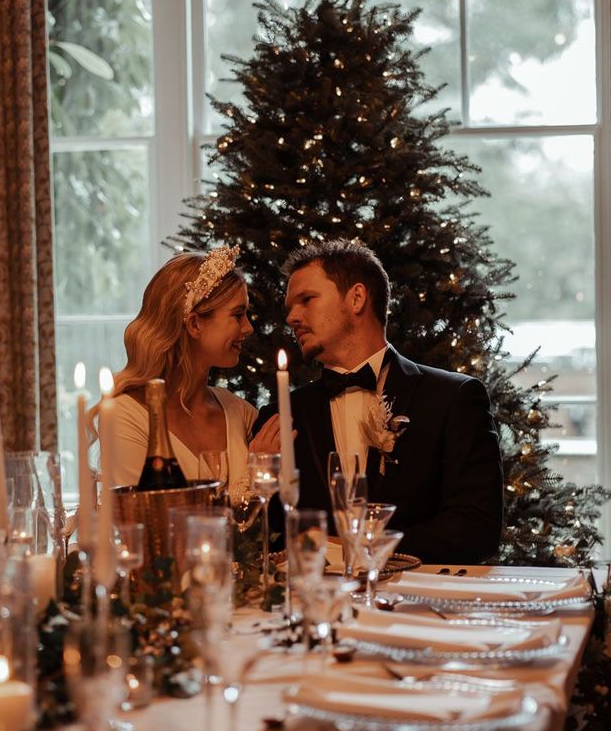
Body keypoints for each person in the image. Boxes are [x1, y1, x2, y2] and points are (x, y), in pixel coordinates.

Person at [257, 239, 503, 564]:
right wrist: (256, 477)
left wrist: (370, 546)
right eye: (290, 306)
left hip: (420, 605)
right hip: (321, 604)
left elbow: (477, 528)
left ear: (357, 298)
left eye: (307, 300)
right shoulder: (282, 417)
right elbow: (266, 536)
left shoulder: (452, 398)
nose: (292, 317)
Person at [102, 245, 280, 489]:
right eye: (238, 315)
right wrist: (254, 475)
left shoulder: (238, 411)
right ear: (195, 324)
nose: (248, 328)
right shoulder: (125, 416)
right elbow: (144, 519)